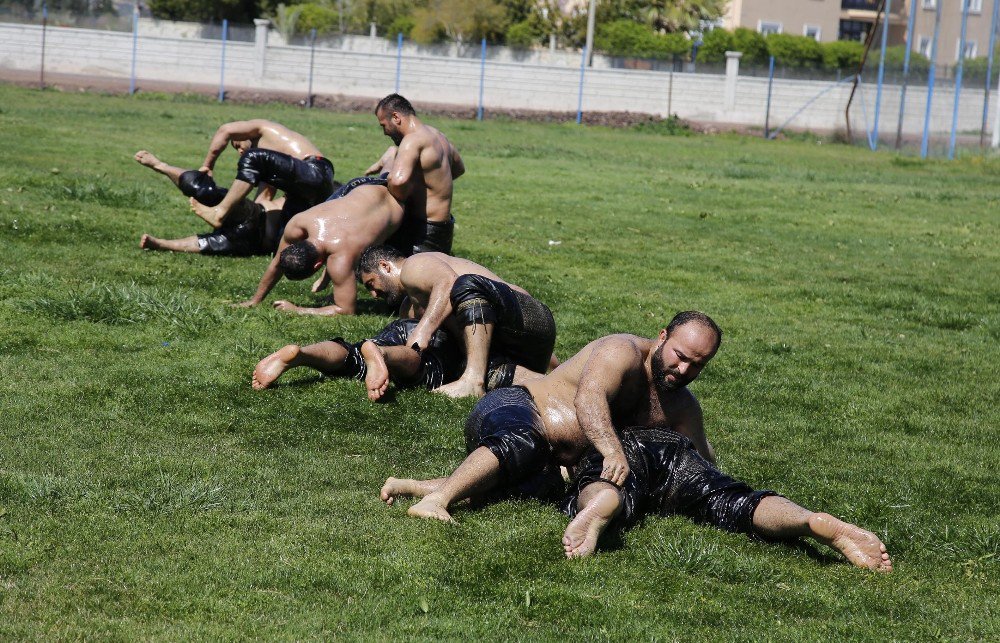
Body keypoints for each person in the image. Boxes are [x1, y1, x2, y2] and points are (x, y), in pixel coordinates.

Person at [380, 312, 894, 572]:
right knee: (524, 444)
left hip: (564, 467)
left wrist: (724, 488)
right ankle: (438, 499)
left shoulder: (680, 407)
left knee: (724, 498)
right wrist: (611, 451)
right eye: (680, 355)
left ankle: (811, 521)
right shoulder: (619, 351)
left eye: (698, 365)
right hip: (519, 407)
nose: (683, 368)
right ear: (662, 336)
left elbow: (702, 462)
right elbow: (588, 403)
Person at [356, 245, 557, 397]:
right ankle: (557, 381)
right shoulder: (409, 308)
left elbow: (449, 282)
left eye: (371, 283)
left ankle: (472, 380)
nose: (373, 294)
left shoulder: (414, 265)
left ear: (385, 266)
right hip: (522, 349)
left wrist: (423, 331)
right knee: (489, 372)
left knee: (465, 284)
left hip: (529, 318)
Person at [251, 318, 541, 401]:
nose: (374, 292)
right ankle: (381, 354)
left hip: (408, 326)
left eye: (371, 284)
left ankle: (302, 354)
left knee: (351, 357)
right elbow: (544, 360)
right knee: (420, 367)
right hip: (437, 345)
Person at [237, 183, 403, 315]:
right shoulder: (300, 221)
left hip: (402, 206)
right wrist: (255, 299)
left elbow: (345, 310)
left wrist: (298, 310)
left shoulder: (341, 259)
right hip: (367, 185)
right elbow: (277, 262)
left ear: (318, 265)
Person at [187, 120, 336, 250]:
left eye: (238, 143)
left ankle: (219, 212)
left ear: (245, 133)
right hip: (308, 190)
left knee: (252, 157)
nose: (239, 150)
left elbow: (225, 130)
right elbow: (263, 198)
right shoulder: (272, 162)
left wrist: (207, 165)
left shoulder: (262, 128)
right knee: (284, 242)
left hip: (316, 169)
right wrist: (249, 219)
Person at [365, 94, 465, 255]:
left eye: (383, 125)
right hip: (443, 230)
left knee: (369, 259)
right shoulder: (437, 135)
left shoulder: (412, 140)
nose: (384, 132)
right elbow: (459, 168)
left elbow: (398, 182)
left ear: (396, 117)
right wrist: (430, 185)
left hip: (421, 231)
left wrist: (389, 187)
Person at [134, 150, 279, 255]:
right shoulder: (288, 199)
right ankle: (161, 166)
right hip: (256, 214)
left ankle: (161, 244)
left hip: (255, 243)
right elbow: (267, 190)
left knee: (213, 243)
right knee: (206, 191)